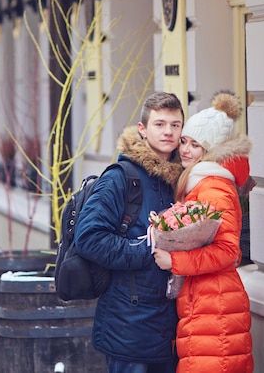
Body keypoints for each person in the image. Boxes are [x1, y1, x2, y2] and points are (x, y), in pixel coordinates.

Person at [75, 91, 184, 373]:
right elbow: (89, 237)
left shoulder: (181, 179)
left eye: (175, 125)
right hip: (128, 323)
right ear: (143, 129)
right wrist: (146, 250)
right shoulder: (121, 177)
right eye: (159, 124)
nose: (168, 132)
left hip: (169, 325)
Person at [153, 90, 254, 373]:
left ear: (209, 151)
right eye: (184, 141)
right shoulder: (198, 184)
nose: (184, 149)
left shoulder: (213, 188)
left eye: (195, 145)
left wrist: (174, 261)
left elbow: (227, 251)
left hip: (216, 305)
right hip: (207, 302)